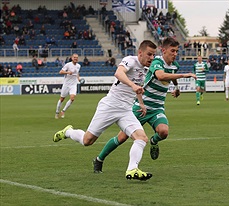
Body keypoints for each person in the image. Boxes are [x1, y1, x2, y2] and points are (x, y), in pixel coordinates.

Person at [53, 40, 157, 181]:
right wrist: (132, 85)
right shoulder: (130, 61)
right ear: (140, 53)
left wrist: (141, 103)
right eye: (149, 54)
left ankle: (132, 169)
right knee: (87, 141)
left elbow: (138, 87)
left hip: (125, 110)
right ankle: (68, 132)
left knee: (142, 138)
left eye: (153, 55)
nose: (151, 58)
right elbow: (118, 73)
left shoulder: (145, 69)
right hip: (110, 106)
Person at [93, 37, 197, 173]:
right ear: (163, 50)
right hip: (142, 106)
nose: (175, 54)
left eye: (177, 51)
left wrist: (176, 88)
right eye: (172, 51)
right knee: (122, 137)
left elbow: (171, 74)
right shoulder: (156, 62)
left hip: (157, 107)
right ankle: (99, 159)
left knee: (163, 132)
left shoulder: (174, 65)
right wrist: (185, 76)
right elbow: (160, 76)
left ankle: (154, 141)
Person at [54, 53, 81, 119]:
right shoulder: (68, 65)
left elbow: (77, 73)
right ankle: (57, 112)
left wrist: (78, 78)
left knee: (72, 98)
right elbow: (60, 72)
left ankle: (63, 111)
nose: (75, 58)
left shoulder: (78, 66)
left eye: (76, 57)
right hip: (66, 84)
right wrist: (67, 72)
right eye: (74, 57)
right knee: (62, 99)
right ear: (72, 58)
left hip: (73, 84)